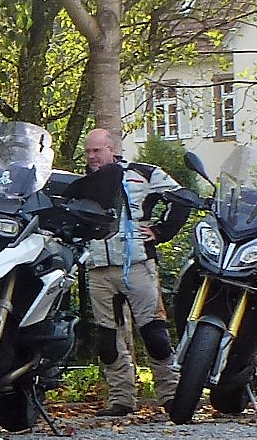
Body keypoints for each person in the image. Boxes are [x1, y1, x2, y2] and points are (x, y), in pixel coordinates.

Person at [74, 127, 191, 416]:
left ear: (111, 149)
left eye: (97, 150)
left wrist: (161, 231)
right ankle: (122, 400)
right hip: (98, 270)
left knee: (154, 334)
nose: (92, 156)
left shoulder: (143, 173)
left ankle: (171, 396)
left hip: (138, 265)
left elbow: (182, 199)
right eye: (88, 152)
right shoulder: (81, 183)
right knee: (107, 339)